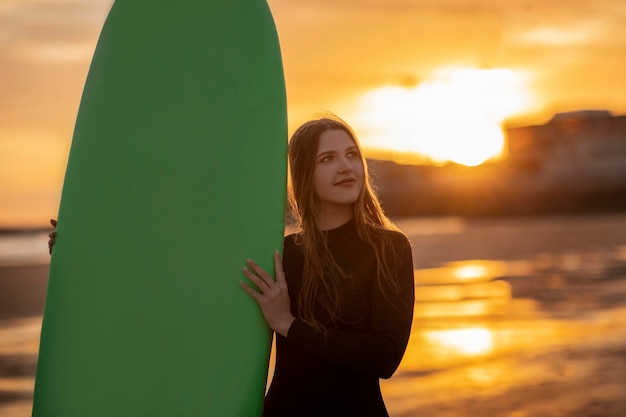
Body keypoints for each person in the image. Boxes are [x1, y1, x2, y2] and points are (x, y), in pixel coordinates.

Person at [49, 114, 415, 416]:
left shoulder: (389, 249)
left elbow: (384, 357)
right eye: (327, 158)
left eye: (352, 154)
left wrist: (287, 324)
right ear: (304, 173)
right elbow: (182, 279)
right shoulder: (282, 254)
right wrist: (83, 252)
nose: (346, 166)